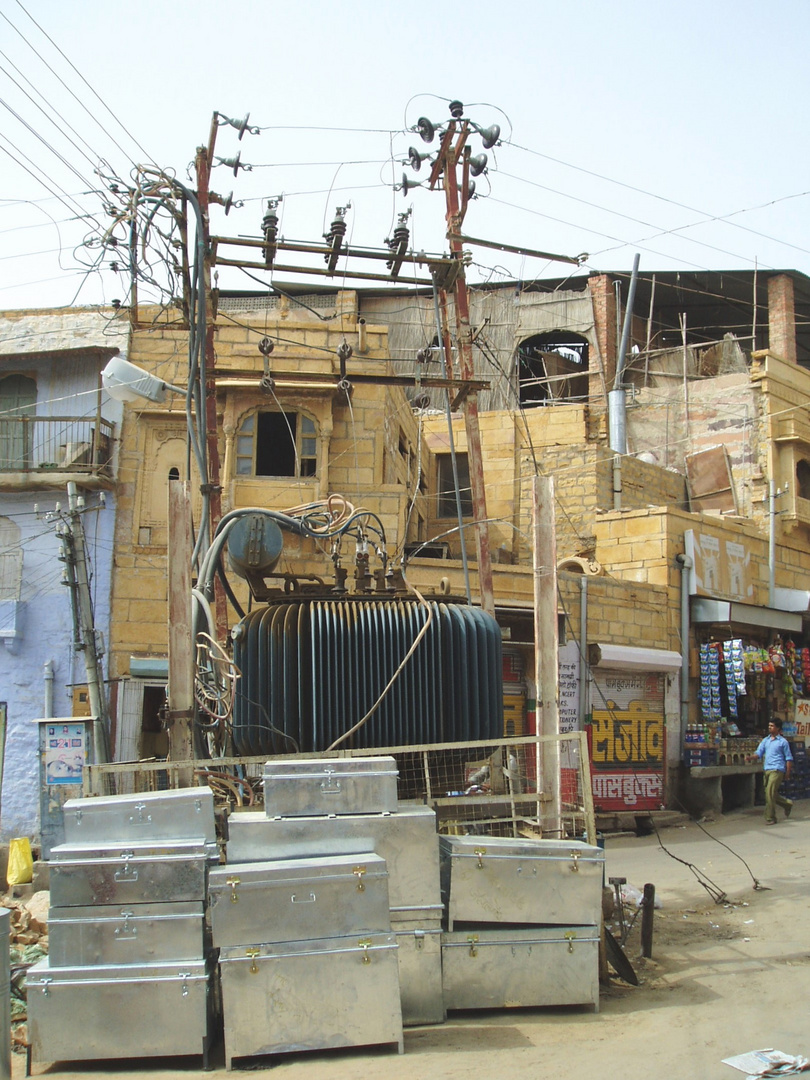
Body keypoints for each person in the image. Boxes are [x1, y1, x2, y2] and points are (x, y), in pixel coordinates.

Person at [756, 719, 794, 825]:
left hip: (777, 769)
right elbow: (759, 752)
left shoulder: (783, 742)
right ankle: (787, 804)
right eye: (769, 725)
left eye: (772, 726)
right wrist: (752, 757)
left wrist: (787, 772)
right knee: (769, 794)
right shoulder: (765, 741)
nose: (769, 727)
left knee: (770, 793)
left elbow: (789, 758)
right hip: (767, 769)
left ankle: (770, 817)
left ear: (778, 728)